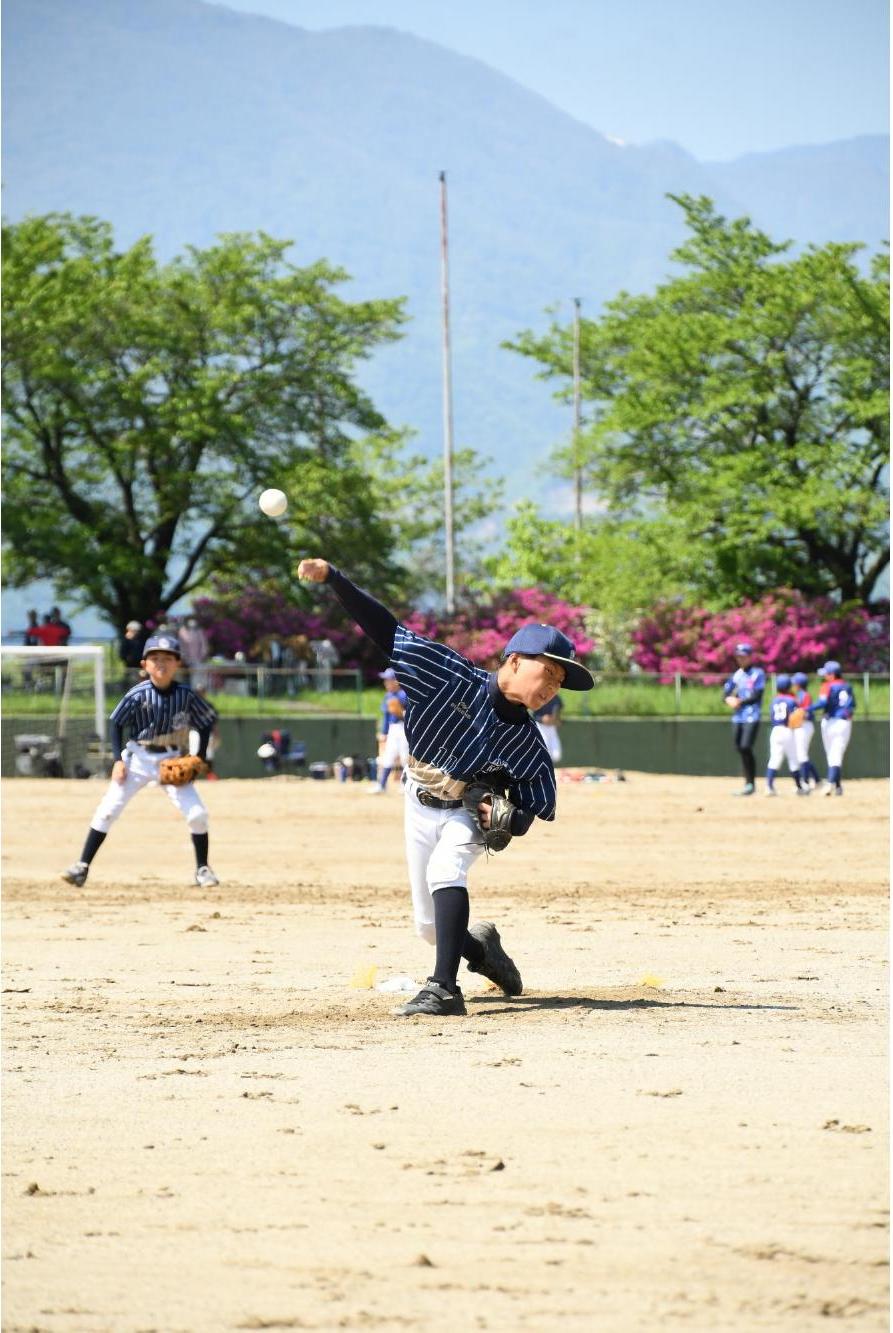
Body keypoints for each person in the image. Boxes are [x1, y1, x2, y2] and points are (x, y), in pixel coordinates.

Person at [297, 556, 594, 1018]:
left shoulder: (529, 743)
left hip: (462, 814)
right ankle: (483, 951)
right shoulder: (447, 675)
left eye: (560, 681)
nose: (554, 686)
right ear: (515, 661)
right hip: (417, 800)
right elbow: (385, 630)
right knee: (429, 929)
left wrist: (505, 817)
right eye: (550, 672)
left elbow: (528, 812)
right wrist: (335, 578)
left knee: (446, 870)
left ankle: (443, 990)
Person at [60, 632, 220, 889]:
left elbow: (205, 722)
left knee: (197, 815)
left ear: (178, 663)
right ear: (145, 664)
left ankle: (203, 869)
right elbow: (116, 724)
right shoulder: (138, 694)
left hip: (172, 758)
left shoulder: (186, 695)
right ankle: (82, 866)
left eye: (168, 658)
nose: (161, 663)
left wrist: (198, 757)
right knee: (108, 810)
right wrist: (118, 760)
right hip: (138, 758)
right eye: (155, 658)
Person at [722, 643, 766, 796]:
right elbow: (725, 693)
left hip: (752, 715)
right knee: (739, 748)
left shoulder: (758, 673)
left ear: (750, 657)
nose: (740, 659)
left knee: (746, 746)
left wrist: (740, 701)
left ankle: (750, 783)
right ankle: (748, 783)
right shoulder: (737, 675)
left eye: (743, 656)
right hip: (738, 717)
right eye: (738, 656)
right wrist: (728, 699)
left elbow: (757, 695)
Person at [810, 660, 856, 796]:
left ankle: (830, 783)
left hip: (830, 721)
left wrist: (806, 709)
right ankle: (838, 786)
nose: (824, 676)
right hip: (844, 722)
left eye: (827, 673)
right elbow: (853, 705)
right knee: (836, 754)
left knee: (833, 754)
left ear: (833, 674)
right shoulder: (847, 686)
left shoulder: (827, 685)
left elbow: (822, 702)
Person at [764, 674, 805, 796]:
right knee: (793, 759)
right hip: (787, 730)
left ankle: (769, 787)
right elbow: (797, 717)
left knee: (774, 759)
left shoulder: (774, 700)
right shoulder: (792, 700)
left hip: (776, 730)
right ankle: (799, 787)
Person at [370, 668, 409, 793]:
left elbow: (411, 715)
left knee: (405, 757)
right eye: (385, 680)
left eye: (388, 680)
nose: (386, 683)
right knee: (388, 756)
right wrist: (384, 732)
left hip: (404, 728)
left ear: (397, 681)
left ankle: (405, 785)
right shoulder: (388, 696)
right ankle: (381, 785)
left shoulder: (404, 694)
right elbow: (386, 717)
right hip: (393, 729)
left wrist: (402, 713)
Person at [791, 671, 820, 790]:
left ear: (798, 684)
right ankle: (817, 780)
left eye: (794, 683)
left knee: (801, 755)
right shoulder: (798, 695)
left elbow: (805, 712)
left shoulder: (805, 695)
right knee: (801, 755)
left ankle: (805, 782)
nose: (793, 685)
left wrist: (795, 716)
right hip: (800, 726)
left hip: (805, 725)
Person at [533, 693, 563, 764]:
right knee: (544, 752)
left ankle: (549, 767)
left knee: (557, 756)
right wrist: (541, 719)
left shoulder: (556, 698)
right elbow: (534, 715)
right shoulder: (540, 696)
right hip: (541, 726)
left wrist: (557, 719)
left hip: (552, 727)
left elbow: (559, 708)